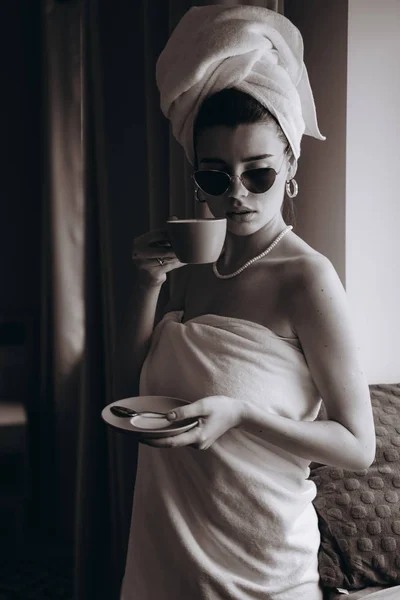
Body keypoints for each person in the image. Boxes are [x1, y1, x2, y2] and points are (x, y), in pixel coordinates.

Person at [116, 6, 376, 600]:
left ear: (288, 171)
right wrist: (146, 284)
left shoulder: (307, 279)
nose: (236, 195)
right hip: (166, 544)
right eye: (215, 177)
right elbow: (126, 387)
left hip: (259, 562)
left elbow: (359, 447)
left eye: (256, 175)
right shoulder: (189, 264)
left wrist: (242, 416)